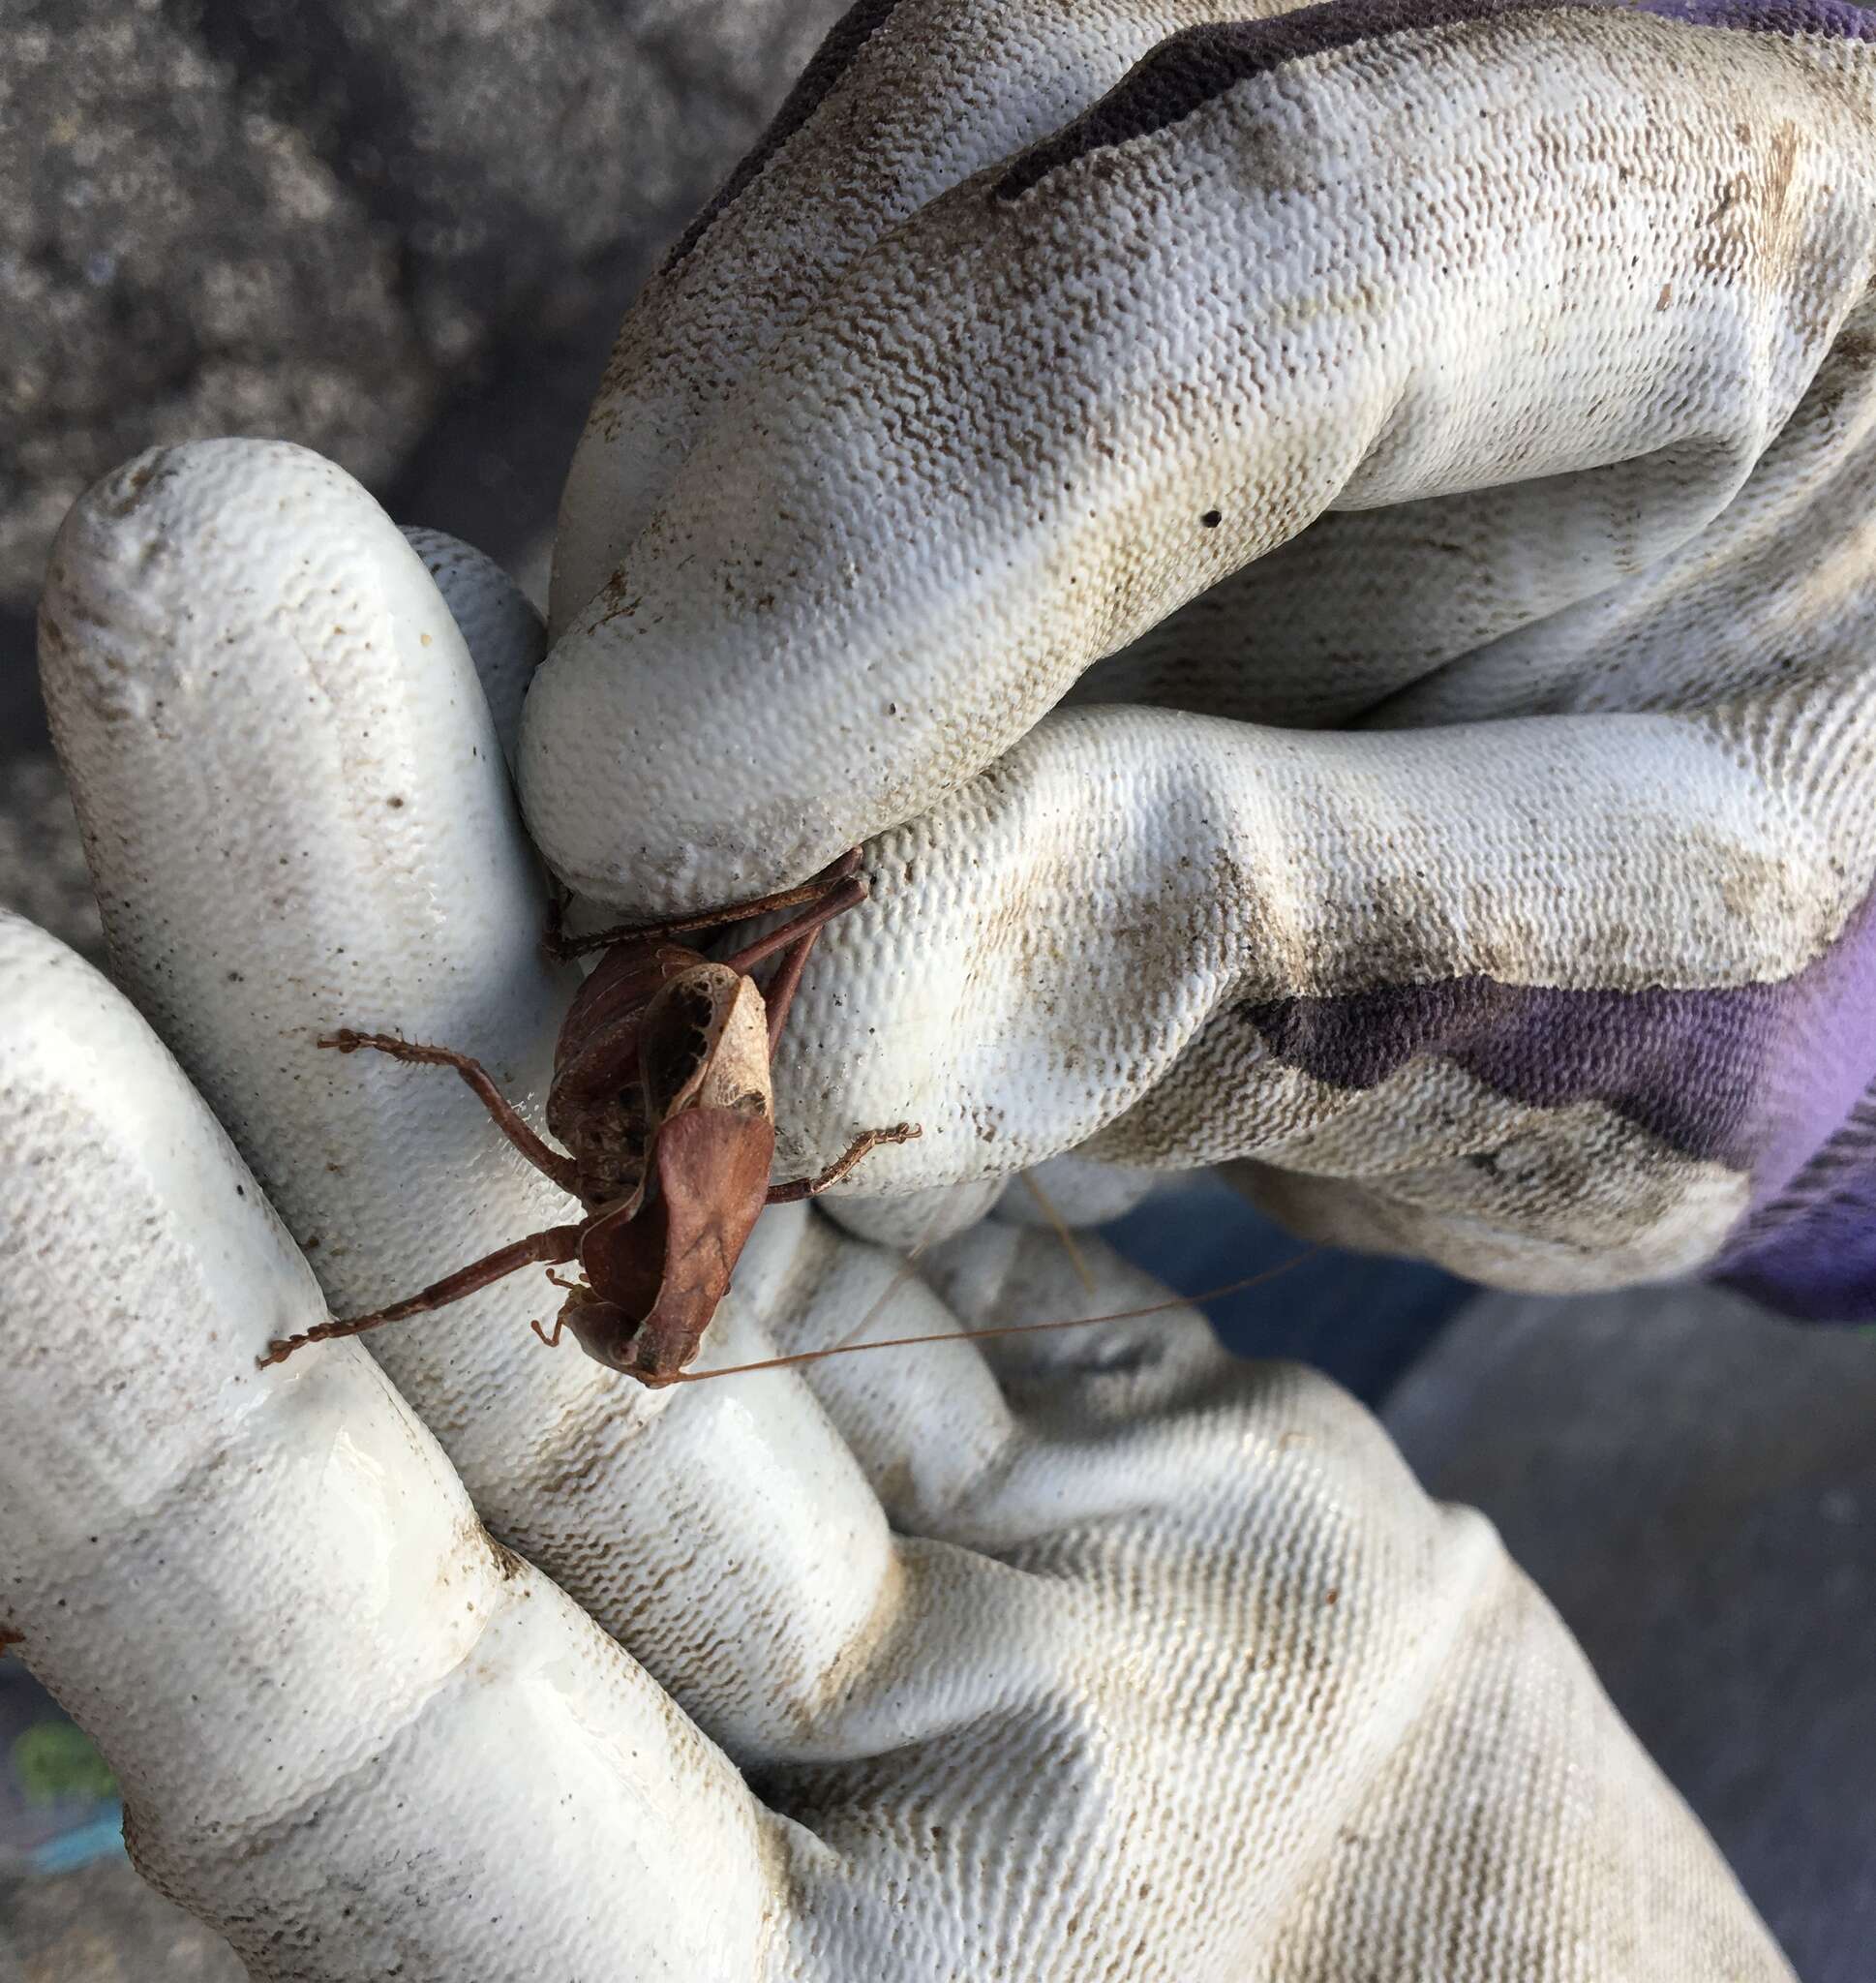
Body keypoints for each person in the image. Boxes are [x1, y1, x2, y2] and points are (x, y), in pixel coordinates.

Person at [4, 2, 1870, 1973]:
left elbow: (616, 1207)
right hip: (789, 992)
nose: (608, 1315)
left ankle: (85, 1661)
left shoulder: (651, 1283)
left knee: (333, 1461)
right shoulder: (640, 1231)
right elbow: (613, 1160)